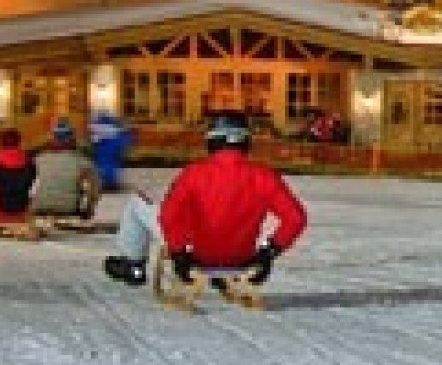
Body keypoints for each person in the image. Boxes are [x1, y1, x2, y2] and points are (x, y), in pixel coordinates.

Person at [106, 110, 307, 289]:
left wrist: (178, 252)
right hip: (240, 257)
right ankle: (221, 274)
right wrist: (268, 253)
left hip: (195, 255)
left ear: (212, 140)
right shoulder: (264, 176)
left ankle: (133, 265)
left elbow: (169, 215)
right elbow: (295, 218)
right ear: (245, 142)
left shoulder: (194, 173)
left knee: (138, 202)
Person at [31, 117, 101, 219]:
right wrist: (88, 209)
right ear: (72, 138)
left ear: (53, 138)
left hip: (40, 208)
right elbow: (95, 189)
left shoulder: (39, 159)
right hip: (68, 209)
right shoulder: (83, 162)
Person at [102, 187, 160, 286]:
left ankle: (134, 266)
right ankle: (134, 267)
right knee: (138, 201)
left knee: (136, 203)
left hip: (180, 234)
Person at [89, 110, 132, 192]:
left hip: (103, 160)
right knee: (109, 166)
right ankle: (109, 183)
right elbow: (125, 141)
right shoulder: (116, 135)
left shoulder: (97, 134)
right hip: (110, 159)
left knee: (104, 165)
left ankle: (105, 183)